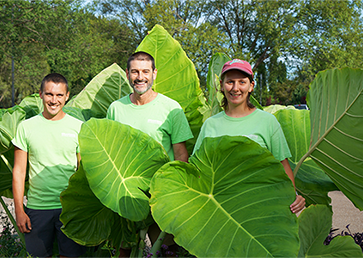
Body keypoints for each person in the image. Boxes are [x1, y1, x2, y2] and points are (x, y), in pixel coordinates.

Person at [107, 51, 193, 257]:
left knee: (167, 250)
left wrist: (176, 192)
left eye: (145, 71)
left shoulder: (171, 108)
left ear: (154, 73)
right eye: (135, 71)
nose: (140, 77)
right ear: (127, 74)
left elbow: (181, 155)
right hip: (125, 192)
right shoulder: (116, 109)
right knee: (124, 249)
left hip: (160, 193)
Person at [193, 59, 305, 214]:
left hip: (261, 205)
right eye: (230, 82)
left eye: (242, 82)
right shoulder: (210, 124)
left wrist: (293, 195)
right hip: (221, 207)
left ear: (251, 86)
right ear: (221, 85)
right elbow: (198, 168)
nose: (235, 88)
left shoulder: (267, 121)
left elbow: (283, 164)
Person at [12, 73, 86, 258]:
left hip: (69, 208)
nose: (54, 100)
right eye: (49, 94)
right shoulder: (26, 127)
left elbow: (83, 170)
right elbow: (19, 172)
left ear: (67, 95)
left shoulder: (78, 127)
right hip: (38, 208)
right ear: (41, 95)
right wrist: (19, 211)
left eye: (59, 95)